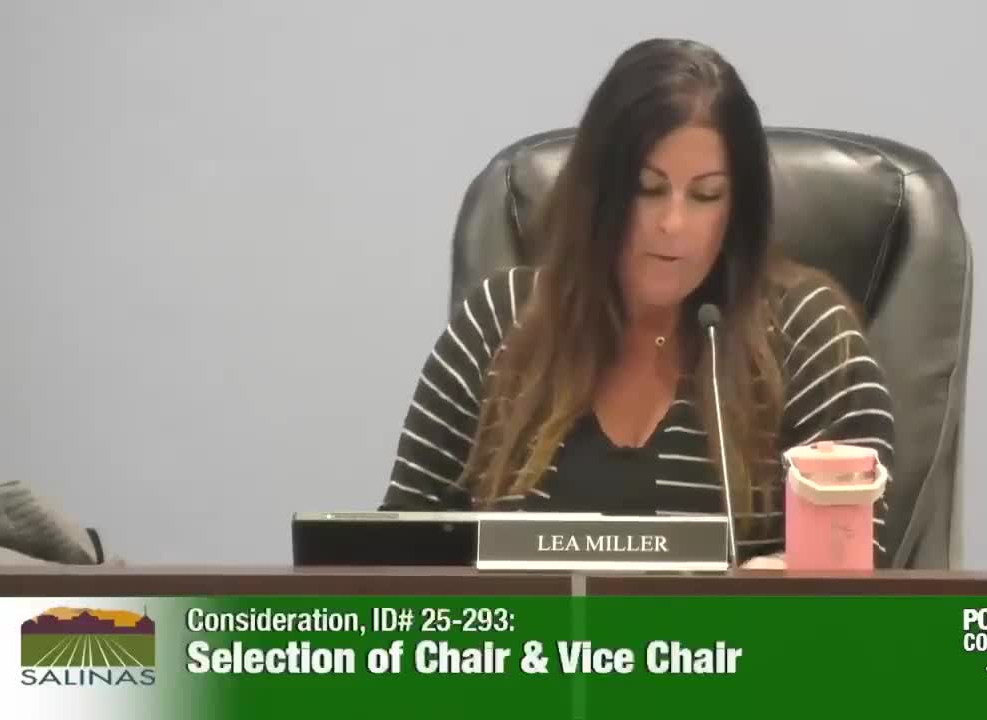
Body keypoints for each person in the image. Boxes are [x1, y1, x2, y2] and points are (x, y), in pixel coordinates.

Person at [379, 38, 896, 567]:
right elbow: (391, 566)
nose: (673, 224)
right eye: (648, 189)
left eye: (706, 195)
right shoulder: (499, 323)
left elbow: (855, 569)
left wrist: (784, 580)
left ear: (737, 206)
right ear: (597, 192)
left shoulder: (808, 336)